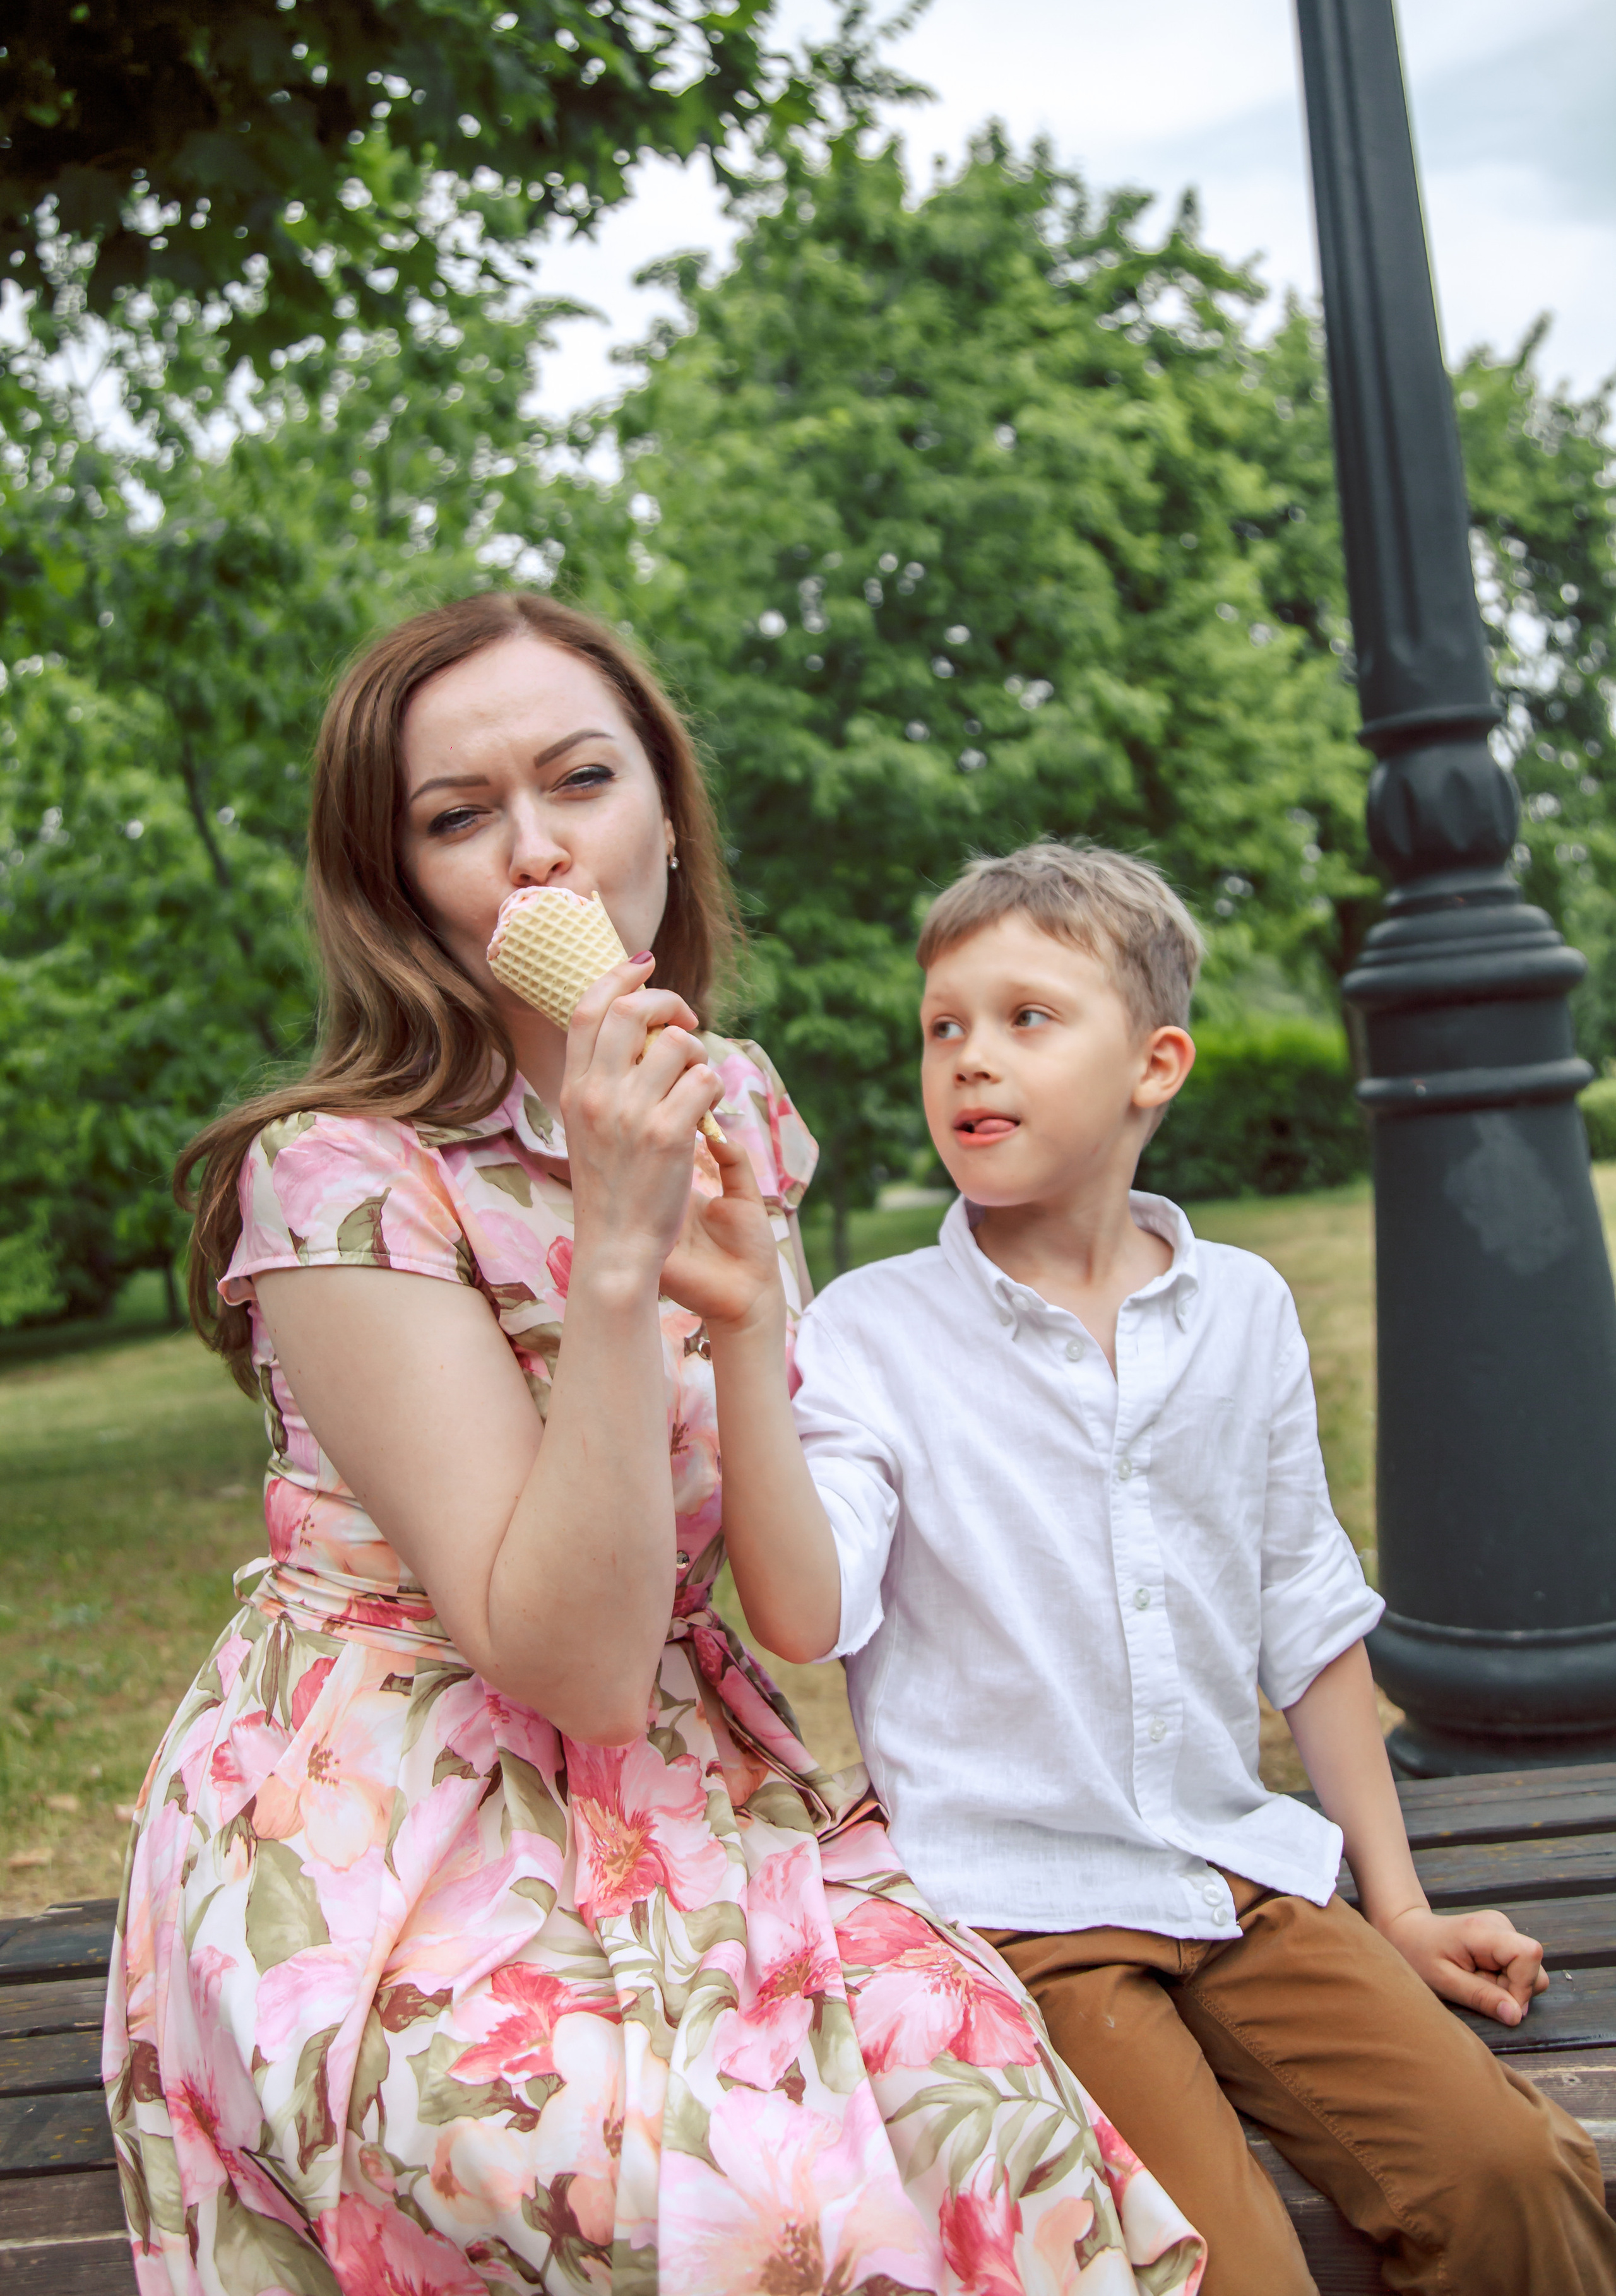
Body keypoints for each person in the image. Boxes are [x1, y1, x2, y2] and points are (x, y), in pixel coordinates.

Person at [102, 602, 1206, 2296]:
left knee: (988, 2108)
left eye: (581, 782)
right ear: (396, 885)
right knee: (703, 2204)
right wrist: (615, 1262)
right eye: (457, 818)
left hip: (704, 1778)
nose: (537, 850)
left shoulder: (739, 1105)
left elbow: (783, 1521)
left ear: (669, 826)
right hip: (409, 1795)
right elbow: (570, 1665)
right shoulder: (336, 1178)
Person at [713, 839, 1616, 2295]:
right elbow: (807, 1615)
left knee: (1512, 2180)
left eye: (1025, 1018)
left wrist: (1392, 1908)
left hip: (1231, 1873)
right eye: (942, 1025)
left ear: (1154, 1064)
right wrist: (748, 1337)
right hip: (1022, 1908)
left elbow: (1303, 1614)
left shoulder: (1240, 1310)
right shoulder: (873, 1332)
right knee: (1223, 2267)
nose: (968, 1061)